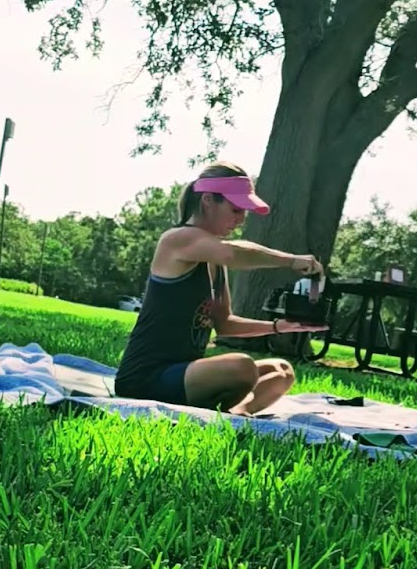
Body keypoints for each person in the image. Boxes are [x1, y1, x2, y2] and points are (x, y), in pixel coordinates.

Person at [114, 162, 326, 415]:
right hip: (144, 379)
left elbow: (225, 324)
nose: (241, 218)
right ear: (207, 200)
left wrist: (279, 326)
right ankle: (221, 410)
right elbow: (233, 253)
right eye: (236, 209)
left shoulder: (215, 262)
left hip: (184, 373)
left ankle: (238, 413)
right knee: (242, 367)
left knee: (281, 371)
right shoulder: (176, 240)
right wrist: (291, 261)